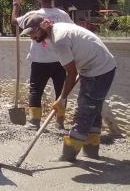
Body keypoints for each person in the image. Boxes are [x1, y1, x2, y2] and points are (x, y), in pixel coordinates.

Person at [20, 14, 116, 162]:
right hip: (98, 66)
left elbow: (71, 74)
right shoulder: (58, 29)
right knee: (93, 109)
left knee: (84, 111)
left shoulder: (59, 42)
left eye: (33, 32)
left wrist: (62, 99)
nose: (31, 36)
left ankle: (68, 156)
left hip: (98, 70)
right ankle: (91, 151)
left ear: (43, 26)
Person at [11, 0, 75, 130]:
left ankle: (34, 122)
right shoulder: (63, 15)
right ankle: (59, 121)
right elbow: (72, 30)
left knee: (35, 90)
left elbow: (15, 21)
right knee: (61, 90)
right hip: (61, 60)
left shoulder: (34, 15)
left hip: (40, 60)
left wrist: (16, 4)